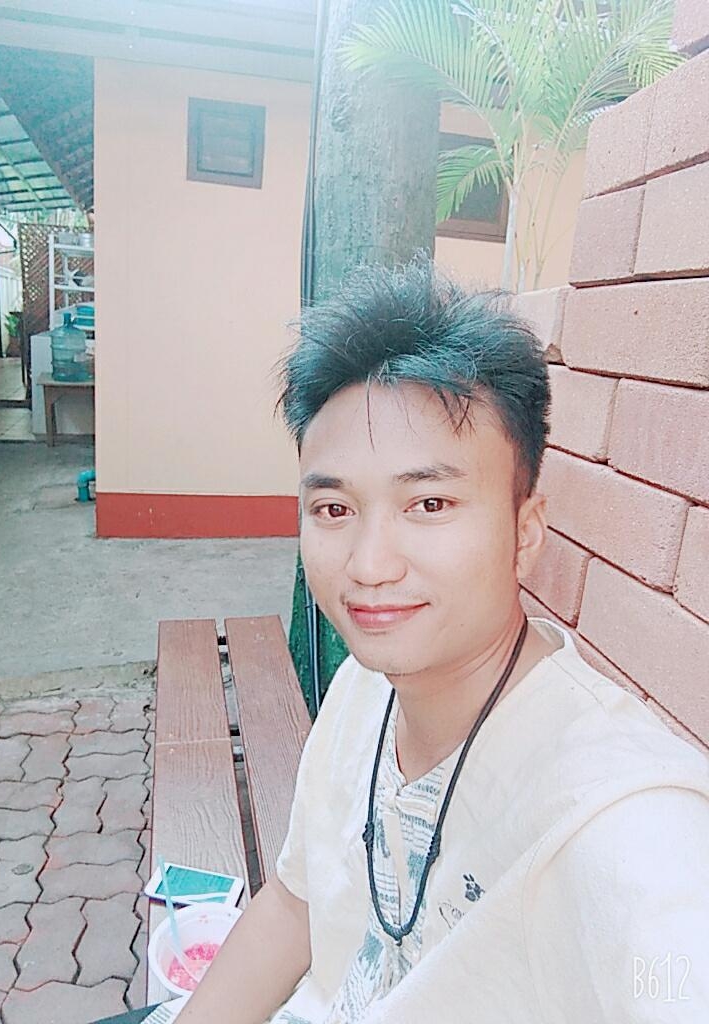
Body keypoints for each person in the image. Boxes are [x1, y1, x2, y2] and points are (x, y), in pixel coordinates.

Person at [178, 256, 709, 1024]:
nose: (369, 566)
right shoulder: (366, 687)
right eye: (334, 510)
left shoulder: (622, 818)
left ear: (525, 532)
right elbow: (296, 903)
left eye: (429, 503)